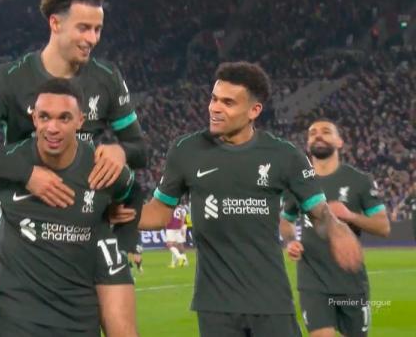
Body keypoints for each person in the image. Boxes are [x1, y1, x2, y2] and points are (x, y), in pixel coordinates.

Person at [0, 0, 147, 336]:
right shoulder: (11, 78)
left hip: (83, 211)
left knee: (121, 326)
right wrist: (27, 174)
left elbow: (140, 150)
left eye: (97, 29)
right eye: (83, 28)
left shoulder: (107, 78)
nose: (92, 39)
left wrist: (120, 150)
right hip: (20, 210)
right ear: (55, 23)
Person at [112, 62, 363, 337]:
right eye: (214, 99)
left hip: (272, 303)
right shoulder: (186, 150)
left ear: (254, 110)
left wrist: (338, 230)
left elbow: (320, 214)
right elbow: (159, 212)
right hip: (215, 307)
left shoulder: (285, 155)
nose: (215, 108)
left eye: (228, 103)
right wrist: (115, 212)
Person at [0, 79, 137, 336]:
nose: (52, 127)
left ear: (80, 120)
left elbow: (130, 195)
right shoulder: (7, 163)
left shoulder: (101, 168)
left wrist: (117, 222)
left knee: (122, 329)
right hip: (17, 247)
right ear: (34, 118)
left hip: (87, 250)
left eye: (64, 118)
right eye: (44, 117)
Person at [280, 119, 390, 337]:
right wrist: (291, 241)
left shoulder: (359, 180)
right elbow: (286, 221)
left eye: (326, 131)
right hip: (313, 282)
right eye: (313, 133)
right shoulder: (298, 183)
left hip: (351, 281)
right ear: (307, 143)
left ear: (340, 142)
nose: (318, 135)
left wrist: (350, 215)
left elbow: (383, 227)